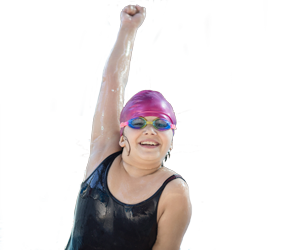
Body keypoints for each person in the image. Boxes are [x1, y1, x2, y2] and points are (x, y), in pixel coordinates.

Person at [65, 4, 194, 250]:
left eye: (161, 123)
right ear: (122, 136)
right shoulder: (103, 153)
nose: (150, 129)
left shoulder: (175, 194)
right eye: (137, 122)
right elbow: (111, 83)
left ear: (171, 138)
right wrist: (128, 27)